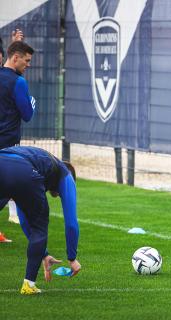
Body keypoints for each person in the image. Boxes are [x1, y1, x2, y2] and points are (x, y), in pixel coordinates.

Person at [0, 146, 81, 294]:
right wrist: (72, 258)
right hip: (22, 169)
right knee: (40, 226)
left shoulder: (43, 165)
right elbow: (71, 224)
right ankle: (28, 285)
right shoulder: (65, 173)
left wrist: (43, 254)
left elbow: (24, 221)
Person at [0, 29, 27, 242]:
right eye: (25, 60)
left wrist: (15, 45)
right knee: (9, 185)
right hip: (7, 142)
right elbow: (27, 114)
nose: (28, 65)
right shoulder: (17, 82)